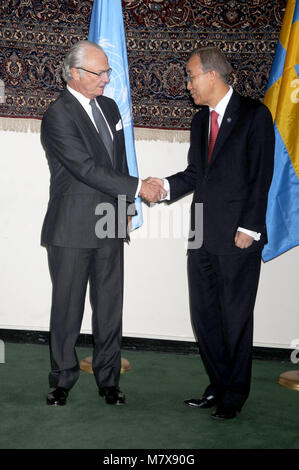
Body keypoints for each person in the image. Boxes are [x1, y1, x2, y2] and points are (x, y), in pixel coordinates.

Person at [147, 46, 274, 419]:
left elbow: (261, 175)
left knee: (235, 318)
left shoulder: (255, 115)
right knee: (204, 317)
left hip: (238, 236)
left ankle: (234, 395)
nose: (187, 85)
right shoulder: (200, 121)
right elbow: (195, 174)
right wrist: (164, 188)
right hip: (201, 234)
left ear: (213, 76)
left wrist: (250, 227)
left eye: (191, 76)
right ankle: (217, 386)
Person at [41, 40, 164, 406]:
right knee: (67, 307)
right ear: (75, 74)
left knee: (110, 305)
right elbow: (86, 169)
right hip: (72, 225)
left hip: (110, 220)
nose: (107, 79)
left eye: (108, 71)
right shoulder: (58, 114)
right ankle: (62, 379)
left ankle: (108, 380)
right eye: (99, 72)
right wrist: (140, 188)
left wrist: (127, 201)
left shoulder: (110, 107)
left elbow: (119, 162)